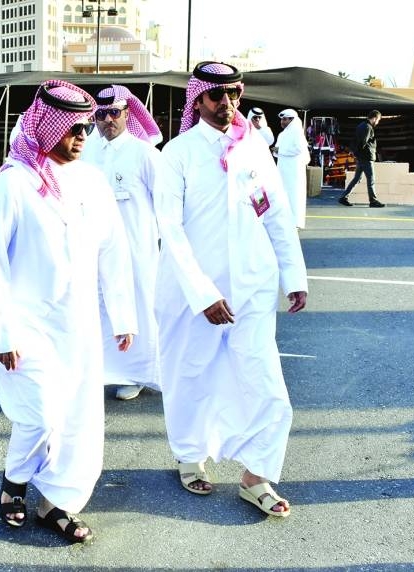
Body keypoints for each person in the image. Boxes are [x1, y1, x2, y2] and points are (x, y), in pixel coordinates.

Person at [0, 79, 137, 544]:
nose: (82, 136)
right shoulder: (12, 184)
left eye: (86, 127)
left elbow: (113, 249)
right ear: (46, 126)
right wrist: (1, 333)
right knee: (41, 414)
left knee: (79, 420)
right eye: (72, 128)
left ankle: (56, 503)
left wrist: (123, 315)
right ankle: (14, 483)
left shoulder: (90, 179)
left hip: (80, 322)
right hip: (27, 323)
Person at [154, 61, 308, 518]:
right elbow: (171, 230)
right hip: (191, 293)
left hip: (252, 288)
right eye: (217, 96)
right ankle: (188, 453)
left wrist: (293, 276)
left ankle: (257, 475)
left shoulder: (256, 148)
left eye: (234, 94)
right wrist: (202, 294)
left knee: (265, 382)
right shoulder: (177, 153)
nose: (227, 104)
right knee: (190, 374)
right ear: (197, 100)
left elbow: (275, 213)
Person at [81, 84, 162, 402]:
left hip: (136, 250)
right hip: (95, 248)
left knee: (138, 308)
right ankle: (101, 372)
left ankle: (137, 374)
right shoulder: (87, 150)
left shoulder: (145, 154)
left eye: (114, 112)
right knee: (98, 307)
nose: (107, 120)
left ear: (128, 114)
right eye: (100, 115)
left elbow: (165, 206)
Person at [274, 109, 311, 229]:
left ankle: (295, 222)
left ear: (292, 120)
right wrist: (277, 151)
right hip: (283, 169)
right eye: (282, 119)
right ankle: (285, 220)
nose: (282, 122)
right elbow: (278, 151)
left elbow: (299, 150)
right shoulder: (282, 134)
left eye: (285, 119)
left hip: (294, 171)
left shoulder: (297, 133)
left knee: (294, 195)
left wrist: (281, 150)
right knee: (283, 194)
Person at [339, 109, 384, 207]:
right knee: (371, 180)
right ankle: (373, 201)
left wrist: (357, 155)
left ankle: (344, 197)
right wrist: (360, 155)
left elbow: (357, 142)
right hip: (366, 157)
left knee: (357, 179)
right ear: (375, 118)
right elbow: (362, 143)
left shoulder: (361, 125)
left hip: (361, 157)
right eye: (378, 120)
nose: (378, 122)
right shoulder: (368, 127)